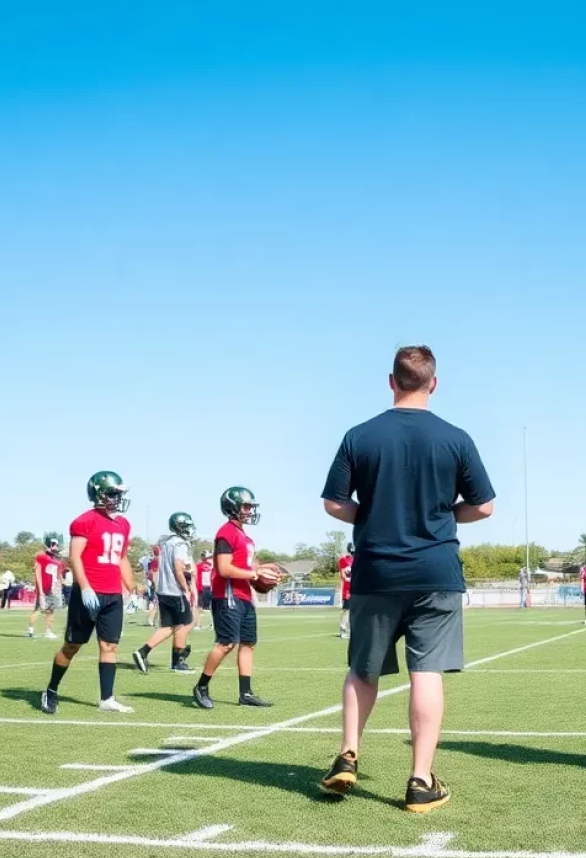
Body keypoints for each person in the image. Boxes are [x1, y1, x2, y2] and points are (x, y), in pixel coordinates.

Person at [319, 345, 495, 813]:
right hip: (435, 572)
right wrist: (442, 516)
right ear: (433, 383)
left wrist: (373, 516)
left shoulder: (360, 435)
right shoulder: (456, 438)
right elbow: (484, 505)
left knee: (362, 670)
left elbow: (334, 503)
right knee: (427, 674)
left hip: (376, 569)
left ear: (391, 381)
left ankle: (348, 755)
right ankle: (420, 780)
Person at [40, 471, 135, 715]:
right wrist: (85, 587)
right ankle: (51, 689)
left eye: (119, 493)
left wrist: (131, 587)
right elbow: (75, 557)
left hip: (112, 594)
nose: (117, 498)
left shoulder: (123, 524)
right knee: (72, 645)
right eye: (113, 493)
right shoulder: (84, 521)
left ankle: (107, 698)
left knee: (109, 646)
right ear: (99, 494)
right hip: (89, 592)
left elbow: (122, 557)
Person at [193, 488, 279, 710]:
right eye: (246, 506)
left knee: (248, 643)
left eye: (250, 507)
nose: (250, 510)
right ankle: (201, 686)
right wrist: (255, 574)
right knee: (226, 643)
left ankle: (246, 692)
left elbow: (244, 566)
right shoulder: (226, 533)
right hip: (227, 596)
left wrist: (261, 570)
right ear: (233, 507)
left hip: (243, 595)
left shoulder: (246, 537)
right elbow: (224, 568)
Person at [133, 513, 197, 674]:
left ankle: (144, 652)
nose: (189, 529)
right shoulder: (179, 544)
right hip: (175, 590)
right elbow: (178, 567)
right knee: (185, 623)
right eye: (186, 525)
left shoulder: (167, 542)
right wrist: (186, 588)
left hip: (164, 590)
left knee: (170, 626)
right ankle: (178, 661)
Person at [28, 533, 65, 639]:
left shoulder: (55, 559)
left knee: (50, 610)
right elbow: (37, 571)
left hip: (52, 588)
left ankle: (46, 631)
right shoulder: (42, 556)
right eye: (54, 545)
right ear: (50, 544)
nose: (56, 547)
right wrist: (41, 591)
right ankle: (32, 630)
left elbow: (58, 576)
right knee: (39, 609)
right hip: (44, 588)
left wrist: (60, 584)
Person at [337, 543, 354, 639]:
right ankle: (343, 629)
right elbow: (343, 575)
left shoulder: (358, 560)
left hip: (358, 589)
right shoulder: (344, 560)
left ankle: (354, 630)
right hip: (348, 589)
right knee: (347, 610)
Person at [193, 551, 213, 630]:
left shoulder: (199, 566)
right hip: (205, 588)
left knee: (200, 607)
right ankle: (201, 624)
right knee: (204, 607)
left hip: (203, 588)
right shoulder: (209, 565)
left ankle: (199, 624)